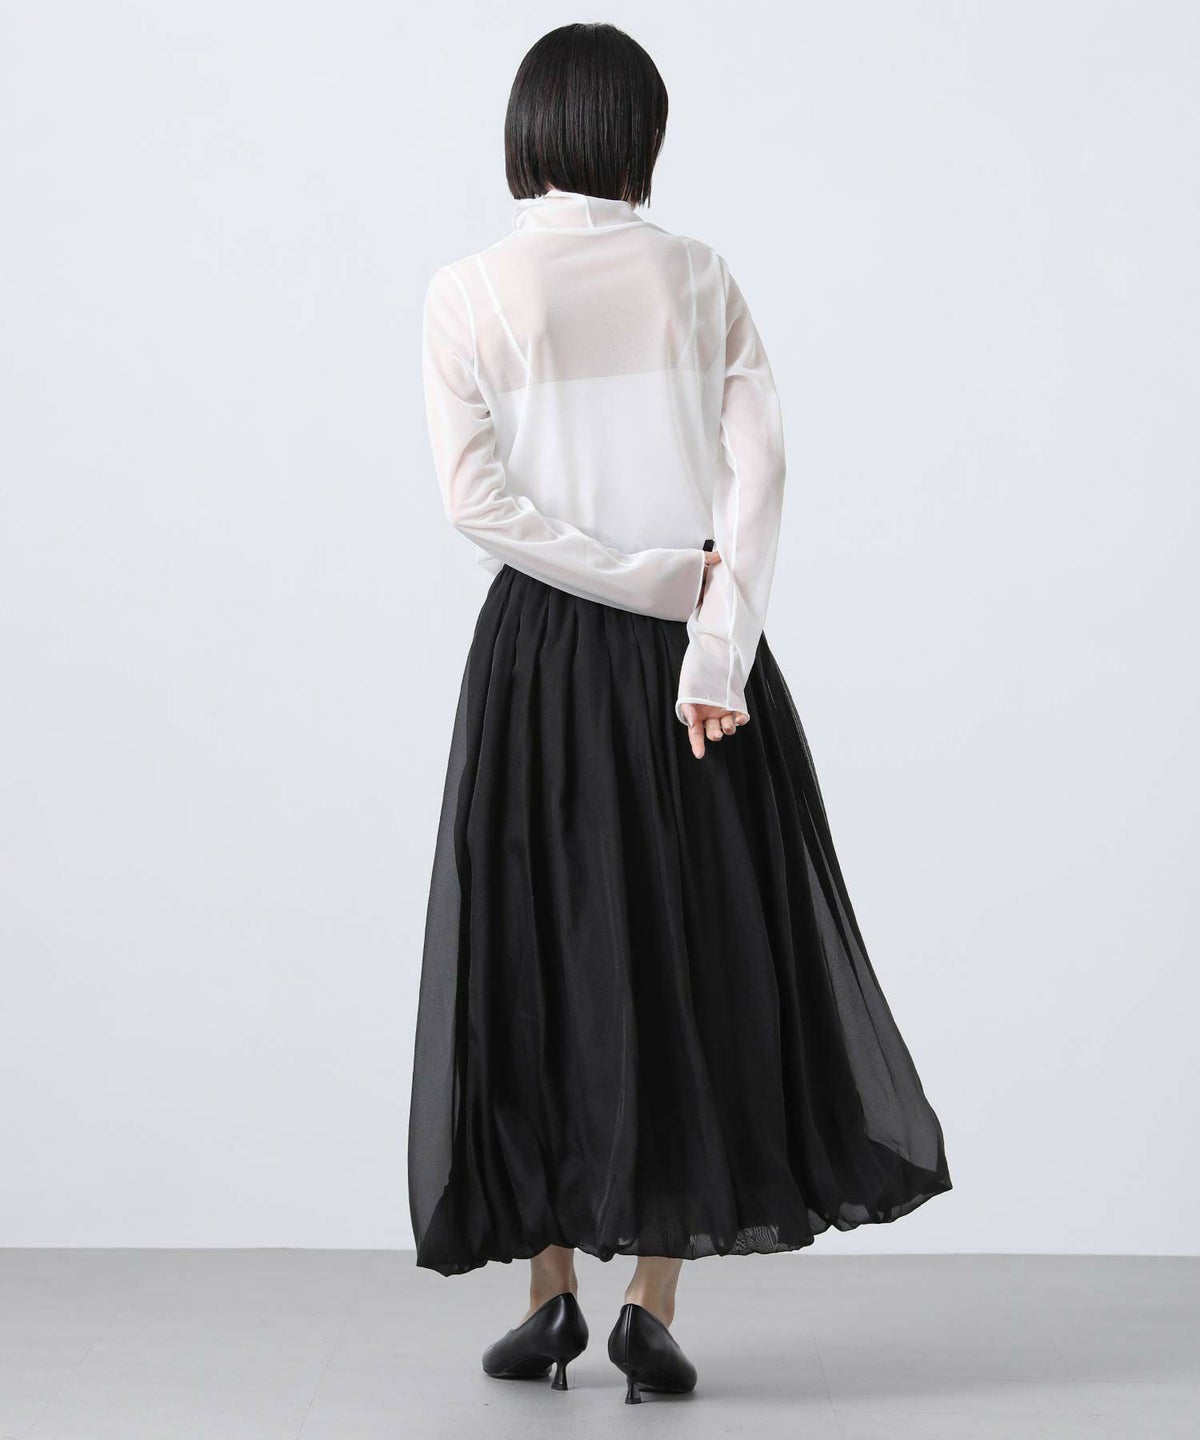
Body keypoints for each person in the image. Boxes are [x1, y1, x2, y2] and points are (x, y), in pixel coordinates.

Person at [408, 20, 952, 1404]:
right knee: (690, 953)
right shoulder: (698, 277)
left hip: (538, 661)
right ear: (642, 135)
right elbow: (761, 475)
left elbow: (476, 505)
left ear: (526, 130)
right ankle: (651, 1301)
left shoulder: (468, 292)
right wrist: (710, 638)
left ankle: (548, 1295)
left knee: (533, 954)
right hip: (693, 663)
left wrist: (638, 581)